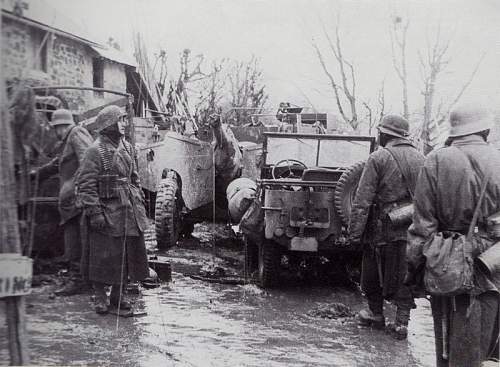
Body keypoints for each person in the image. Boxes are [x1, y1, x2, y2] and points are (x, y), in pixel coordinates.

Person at [407, 105, 500, 366]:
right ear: (485, 129)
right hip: (493, 262)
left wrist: (414, 270)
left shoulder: (437, 160)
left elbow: (422, 225)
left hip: (446, 259)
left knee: (448, 348)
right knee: (481, 348)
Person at [349, 115, 425, 339]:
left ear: (384, 134)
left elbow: (362, 200)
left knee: (372, 270)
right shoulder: (422, 158)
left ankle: (375, 313)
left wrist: (354, 235)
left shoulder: (378, 157)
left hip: (383, 228)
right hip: (413, 227)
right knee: (405, 272)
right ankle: (401, 322)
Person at [77, 105, 149, 314]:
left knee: (127, 254)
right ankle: (100, 297)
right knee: (103, 255)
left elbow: (134, 177)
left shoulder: (127, 147)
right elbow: (86, 185)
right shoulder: (95, 150)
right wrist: (95, 212)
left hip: (130, 209)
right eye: (120, 120)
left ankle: (119, 296)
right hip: (108, 210)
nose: (124, 124)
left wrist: (139, 197)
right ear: (109, 125)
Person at [33, 109, 93, 296]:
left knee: (75, 242)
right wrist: (37, 173)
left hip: (77, 200)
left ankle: (78, 281)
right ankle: (79, 279)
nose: (55, 132)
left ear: (61, 126)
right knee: (73, 241)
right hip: (71, 201)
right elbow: (57, 163)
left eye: (56, 128)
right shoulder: (67, 140)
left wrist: (76, 187)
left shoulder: (76, 133)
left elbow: (88, 161)